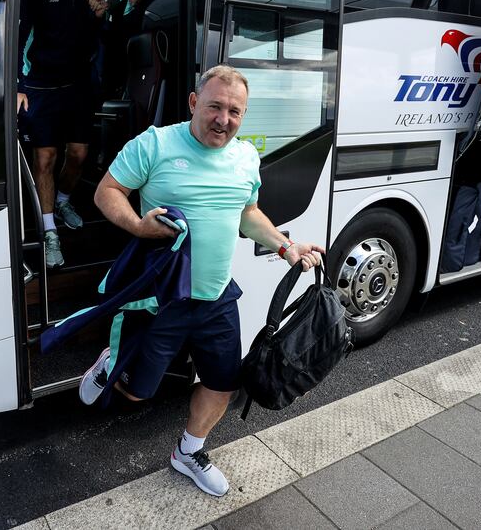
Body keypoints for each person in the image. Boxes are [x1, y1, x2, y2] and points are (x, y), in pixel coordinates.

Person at [83, 65, 324, 497]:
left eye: (235, 112)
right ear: (195, 103)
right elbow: (107, 191)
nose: (223, 119)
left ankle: (188, 452)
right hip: (162, 297)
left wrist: (287, 247)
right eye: (214, 106)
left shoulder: (246, 157)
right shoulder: (155, 144)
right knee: (138, 392)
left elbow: (247, 213)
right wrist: (138, 225)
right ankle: (110, 361)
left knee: (222, 382)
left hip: (216, 295)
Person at [16, 0, 109, 268]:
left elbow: (95, 42)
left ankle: (62, 201)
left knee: (79, 155)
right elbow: (19, 35)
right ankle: (49, 232)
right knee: (45, 158)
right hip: (40, 84)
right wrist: (18, 85)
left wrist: (98, 16)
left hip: (78, 84)